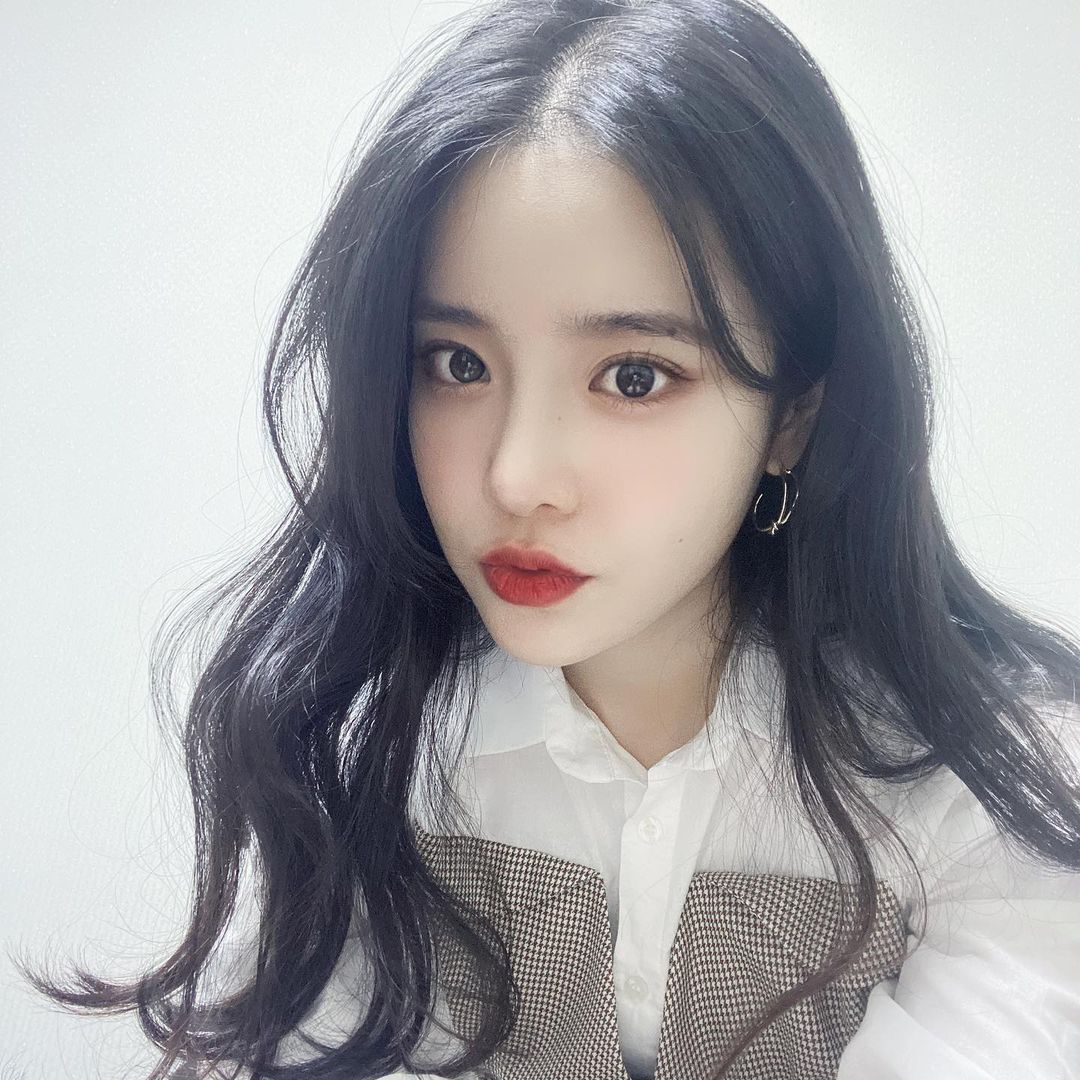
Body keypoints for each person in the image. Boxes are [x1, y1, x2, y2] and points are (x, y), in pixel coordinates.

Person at [18, 0, 1080, 1077]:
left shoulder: (985, 796)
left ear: (793, 418)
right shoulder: (382, 747)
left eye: (634, 377)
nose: (514, 477)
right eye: (459, 365)